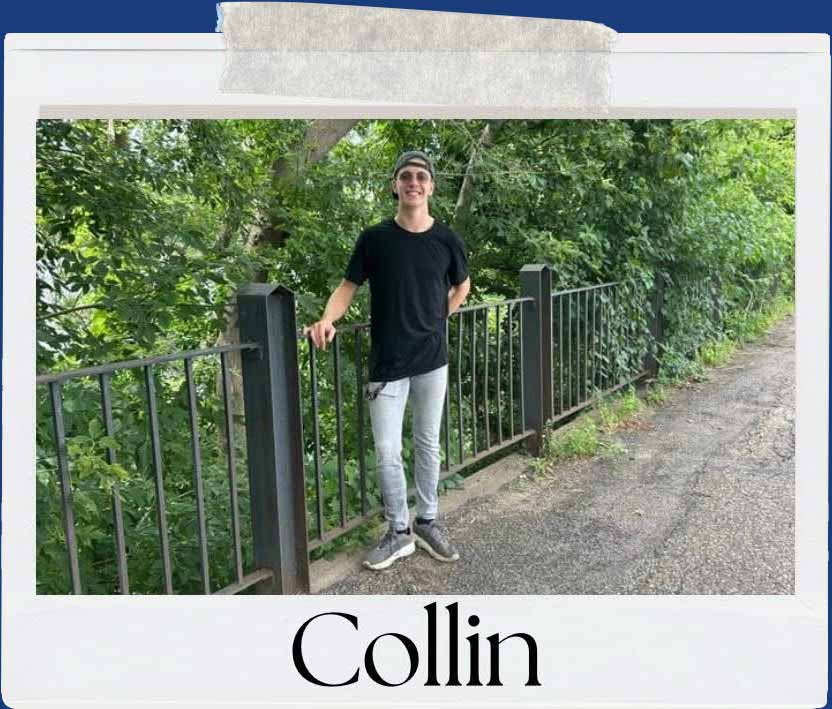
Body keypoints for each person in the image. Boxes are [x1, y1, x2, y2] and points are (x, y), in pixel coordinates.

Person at [303, 150, 471, 571]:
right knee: (386, 450)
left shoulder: (446, 239)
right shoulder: (374, 239)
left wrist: (437, 319)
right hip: (387, 363)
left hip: (432, 361)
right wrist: (326, 319)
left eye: (420, 177)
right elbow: (347, 288)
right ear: (395, 185)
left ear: (431, 186)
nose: (413, 183)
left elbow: (463, 286)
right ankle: (399, 532)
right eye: (405, 176)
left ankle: (428, 522)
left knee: (428, 443)